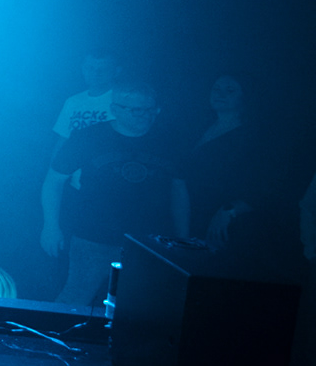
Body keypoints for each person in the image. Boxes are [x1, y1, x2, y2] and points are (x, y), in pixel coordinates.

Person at [42, 81, 188, 308]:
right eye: (136, 110)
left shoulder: (169, 141)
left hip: (150, 242)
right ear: (114, 109)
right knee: (76, 298)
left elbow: (178, 190)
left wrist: (183, 238)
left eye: (151, 109)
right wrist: (51, 227)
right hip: (93, 238)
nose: (145, 115)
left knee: (144, 305)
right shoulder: (88, 137)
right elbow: (54, 181)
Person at [181, 75, 261, 252]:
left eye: (230, 90)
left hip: (223, 221)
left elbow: (263, 185)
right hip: (190, 211)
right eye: (216, 88)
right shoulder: (197, 126)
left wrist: (231, 209)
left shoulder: (251, 136)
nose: (220, 94)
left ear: (244, 96)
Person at [53, 51, 120, 141]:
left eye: (103, 69)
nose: (96, 73)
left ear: (116, 71)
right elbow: (63, 137)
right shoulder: (72, 101)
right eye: (90, 68)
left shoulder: (124, 100)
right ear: (83, 69)